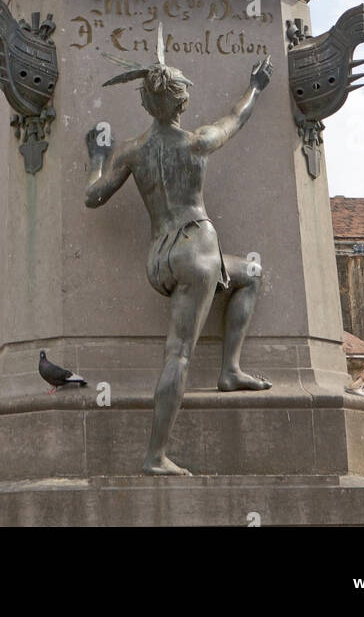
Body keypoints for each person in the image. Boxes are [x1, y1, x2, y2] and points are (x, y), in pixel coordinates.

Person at [85, 36, 273, 476]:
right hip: (197, 249)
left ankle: (230, 372)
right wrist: (256, 87)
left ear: (147, 103)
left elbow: (94, 197)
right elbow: (235, 118)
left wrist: (95, 157)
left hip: (161, 256)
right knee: (179, 355)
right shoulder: (198, 142)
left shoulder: (131, 150)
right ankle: (155, 456)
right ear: (182, 102)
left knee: (250, 273)